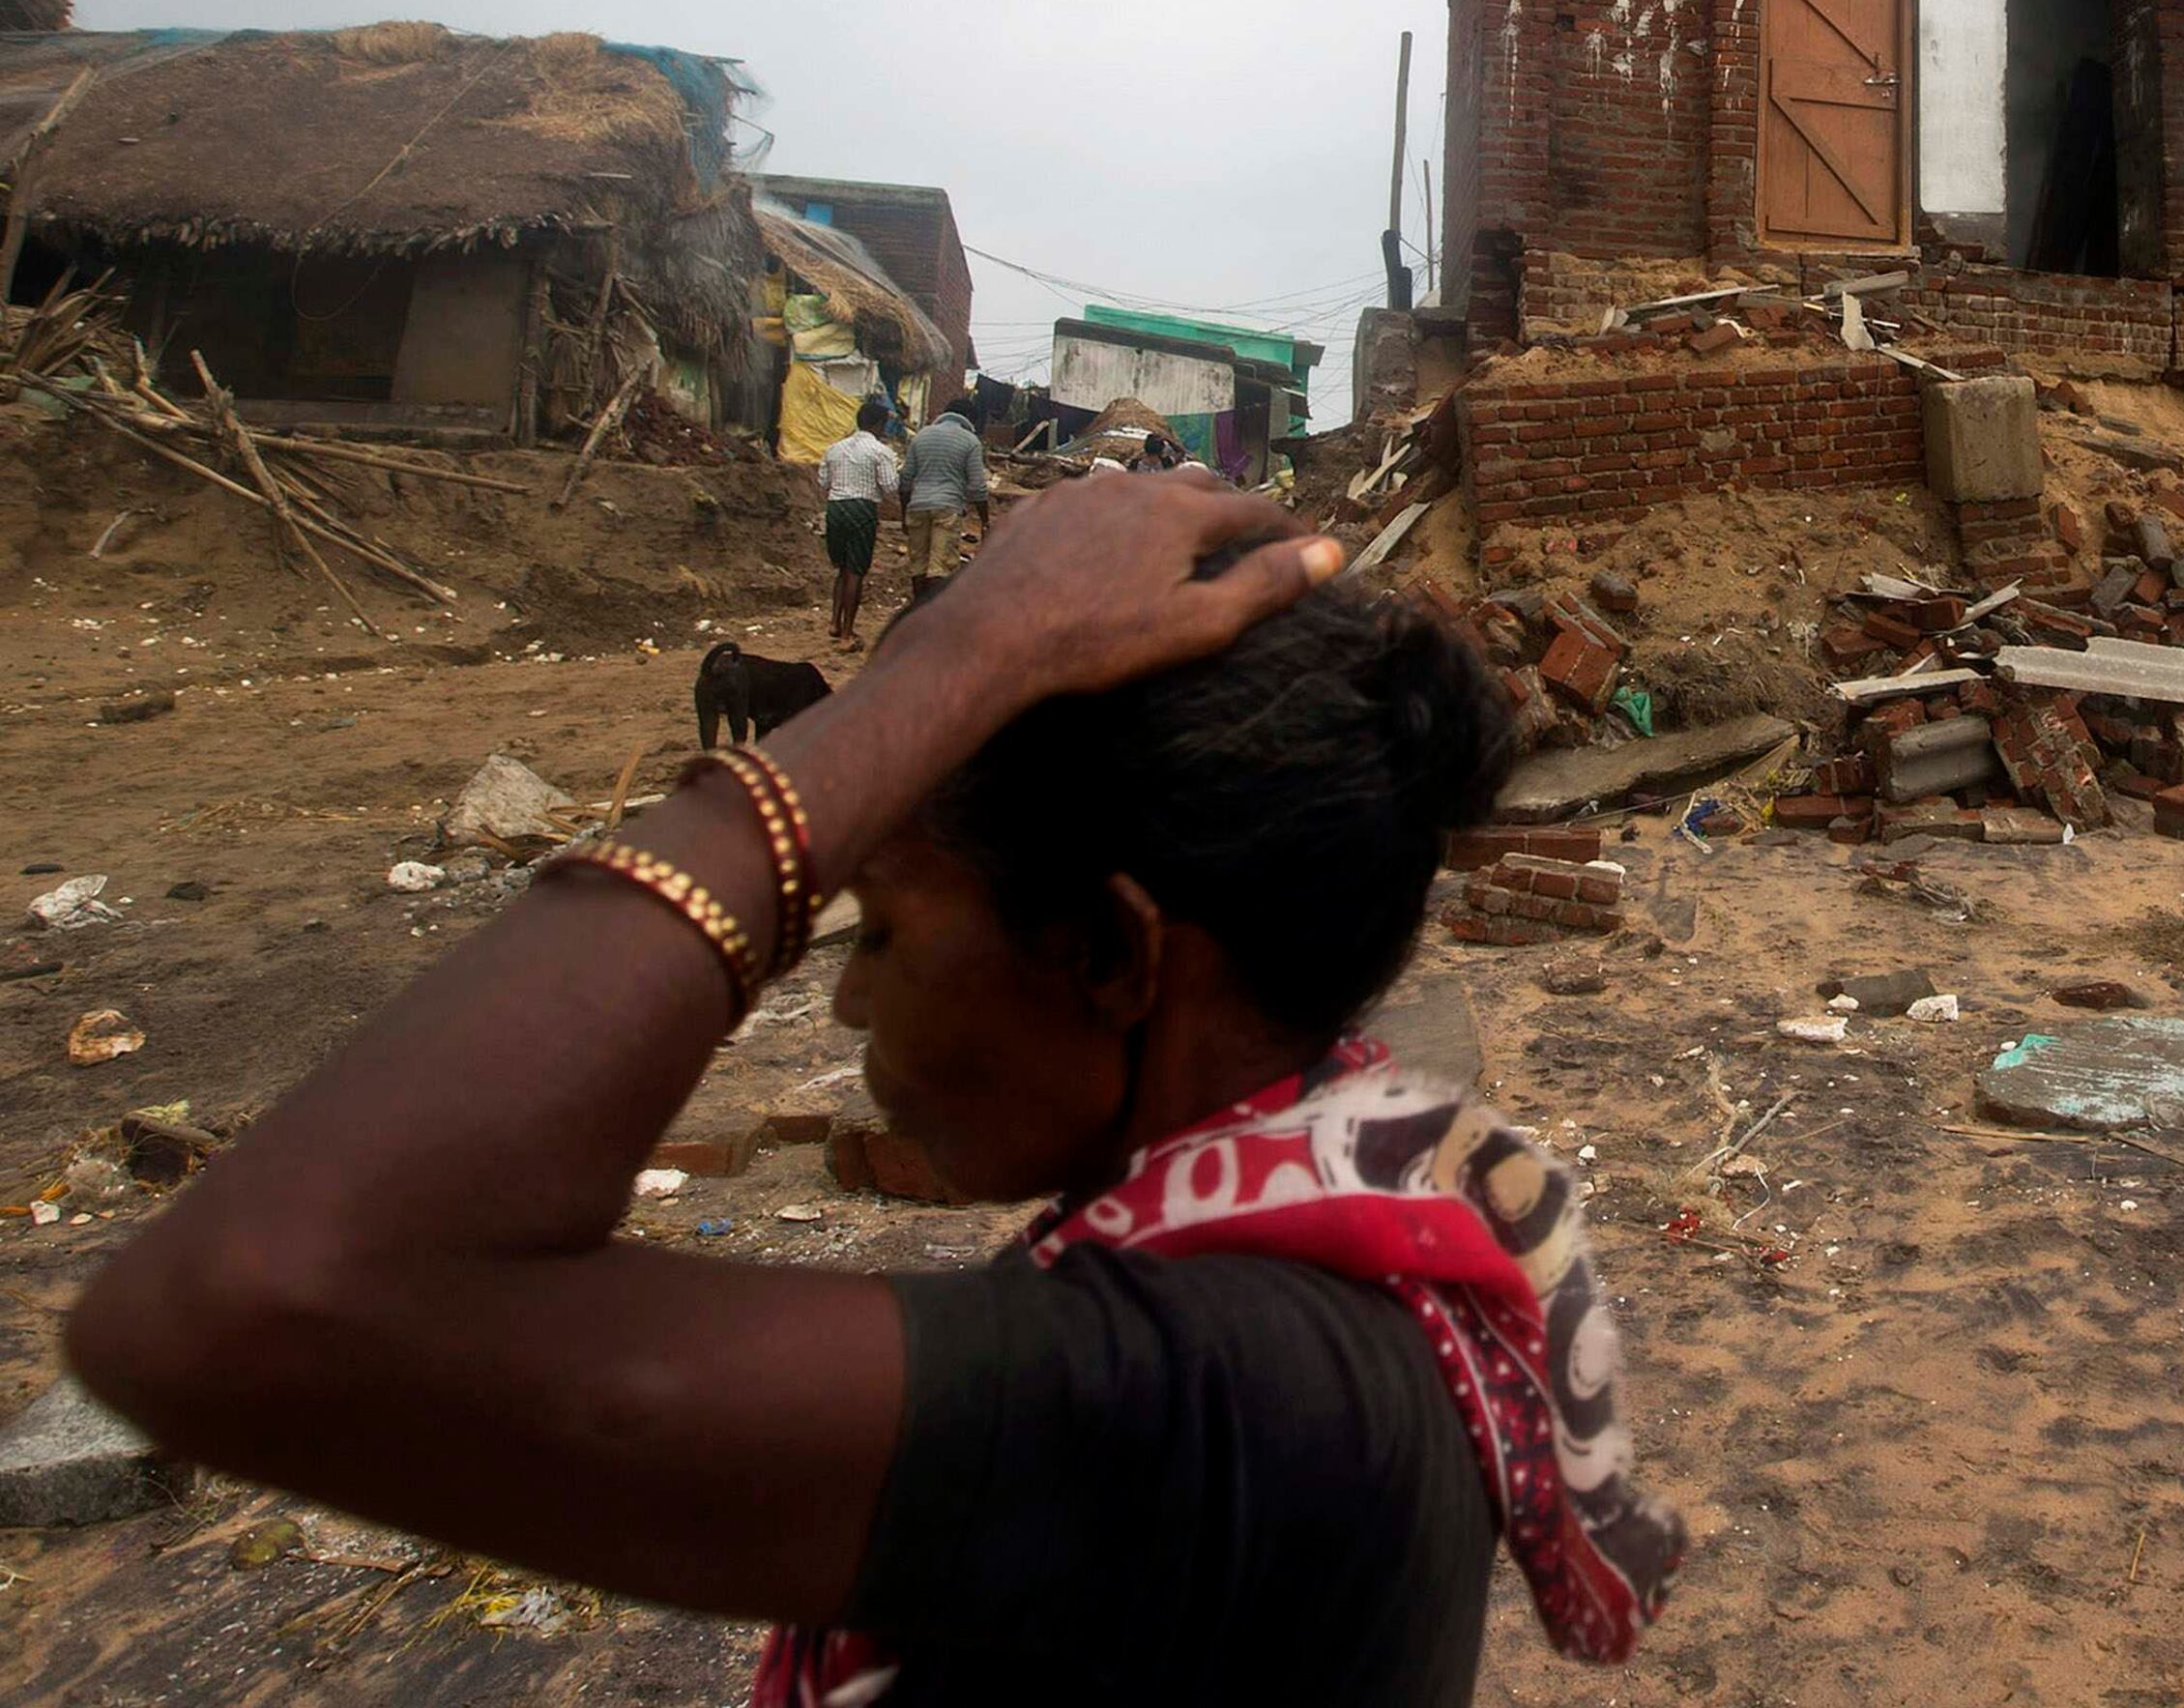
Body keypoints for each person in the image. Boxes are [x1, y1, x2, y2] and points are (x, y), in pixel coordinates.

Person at [66, 473, 1685, 1702]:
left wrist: (946, 672)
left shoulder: (1189, 1397)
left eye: (886, 923)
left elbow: (244, 1299)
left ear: (1117, 955)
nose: (840, 989)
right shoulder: (1344, 1228)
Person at [816, 396, 900, 649]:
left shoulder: (834, 448)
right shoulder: (880, 451)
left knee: (841, 568)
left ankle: (834, 622)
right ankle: (847, 634)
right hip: (862, 508)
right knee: (856, 572)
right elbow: (890, 486)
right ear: (877, 425)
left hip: (836, 507)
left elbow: (822, 482)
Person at [903, 398, 994, 602]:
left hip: (917, 506)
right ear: (969, 419)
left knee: (918, 565)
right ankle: (933, 620)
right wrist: (984, 520)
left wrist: (904, 513)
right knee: (940, 568)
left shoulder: (921, 436)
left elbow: (906, 479)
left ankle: (916, 616)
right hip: (948, 508)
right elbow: (978, 487)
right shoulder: (970, 441)